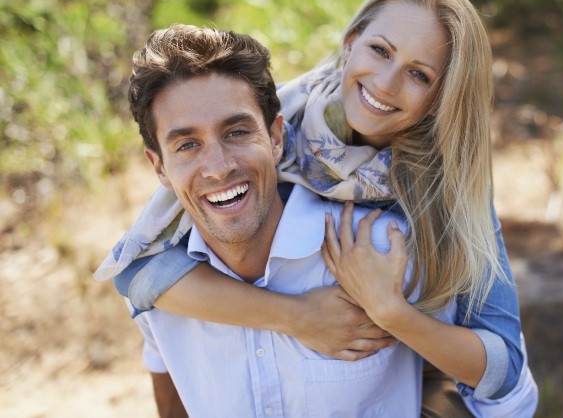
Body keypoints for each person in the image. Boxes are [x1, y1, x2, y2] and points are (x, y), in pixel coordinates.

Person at [96, 0, 538, 416]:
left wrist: (390, 311)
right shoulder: (286, 125)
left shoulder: (442, 196)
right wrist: (296, 316)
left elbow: (506, 373)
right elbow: (136, 273)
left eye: (419, 75)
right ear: (351, 43)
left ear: (444, 95)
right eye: (380, 50)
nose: (384, 83)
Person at [124, 24, 450, 417]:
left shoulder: (386, 250)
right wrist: (296, 316)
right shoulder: (160, 293)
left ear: (276, 137)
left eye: (237, 132)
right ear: (160, 167)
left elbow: (483, 389)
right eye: (188, 145)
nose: (218, 167)